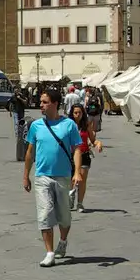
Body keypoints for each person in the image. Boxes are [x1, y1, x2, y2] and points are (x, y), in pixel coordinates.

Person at [22, 85, 82, 267]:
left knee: (64, 216)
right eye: (41, 102)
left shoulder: (69, 125)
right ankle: (49, 252)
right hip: (42, 176)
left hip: (63, 176)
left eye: (45, 102)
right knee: (45, 214)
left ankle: (62, 241)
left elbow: (77, 148)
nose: (41, 105)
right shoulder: (36, 126)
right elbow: (30, 152)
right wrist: (26, 175)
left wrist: (77, 172)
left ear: (55, 104)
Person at [69, 102, 103, 213]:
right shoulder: (67, 125)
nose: (78, 115)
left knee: (82, 180)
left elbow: (93, 140)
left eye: (80, 112)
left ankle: (80, 203)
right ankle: (71, 196)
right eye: (75, 113)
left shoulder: (87, 125)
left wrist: (98, 144)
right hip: (70, 156)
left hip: (84, 155)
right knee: (71, 180)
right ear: (72, 114)